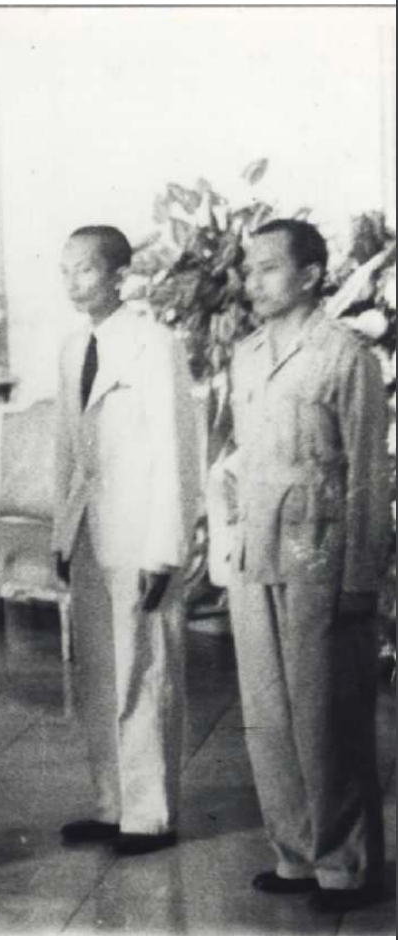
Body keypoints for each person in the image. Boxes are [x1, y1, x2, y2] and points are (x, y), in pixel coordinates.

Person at [225, 218, 388, 913]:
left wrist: (360, 576)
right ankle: (294, 853)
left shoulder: (346, 355)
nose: (252, 281)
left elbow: (368, 478)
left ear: (312, 275)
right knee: (268, 712)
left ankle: (346, 865)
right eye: (248, 269)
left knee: (327, 712)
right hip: (255, 548)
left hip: (318, 549)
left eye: (267, 268)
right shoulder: (247, 354)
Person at [51, 224, 199, 856]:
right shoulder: (70, 347)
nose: (72, 281)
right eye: (65, 269)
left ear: (118, 276)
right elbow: (67, 448)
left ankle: (149, 813)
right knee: (98, 674)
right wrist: (62, 533)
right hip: (90, 530)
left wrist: (166, 548)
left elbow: (177, 449)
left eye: (85, 269)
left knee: (144, 668)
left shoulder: (154, 344)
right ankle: (112, 804)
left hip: (140, 531)